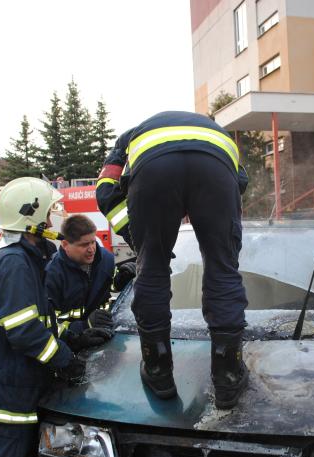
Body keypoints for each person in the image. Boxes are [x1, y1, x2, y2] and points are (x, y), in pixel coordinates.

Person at [95, 110, 249, 409]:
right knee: (223, 269)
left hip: (154, 172)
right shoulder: (218, 133)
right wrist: (207, 210)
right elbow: (239, 180)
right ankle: (228, 375)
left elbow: (105, 189)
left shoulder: (130, 136)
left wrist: (138, 236)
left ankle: (158, 371)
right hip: (215, 170)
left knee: (151, 270)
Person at [0, 177, 85, 457]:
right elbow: (23, 332)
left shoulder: (30, 259)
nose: (58, 216)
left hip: (19, 393)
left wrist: (76, 338)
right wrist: (64, 359)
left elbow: (39, 322)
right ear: (31, 218)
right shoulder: (15, 263)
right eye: (52, 210)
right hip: (7, 402)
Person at [45, 214, 134, 350]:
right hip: (74, 349)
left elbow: (108, 285)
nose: (92, 249)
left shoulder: (106, 258)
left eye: (93, 241)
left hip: (108, 338)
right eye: (84, 244)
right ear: (65, 245)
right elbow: (48, 326)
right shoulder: (52, 274)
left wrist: (121, 279)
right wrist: (84, 326)